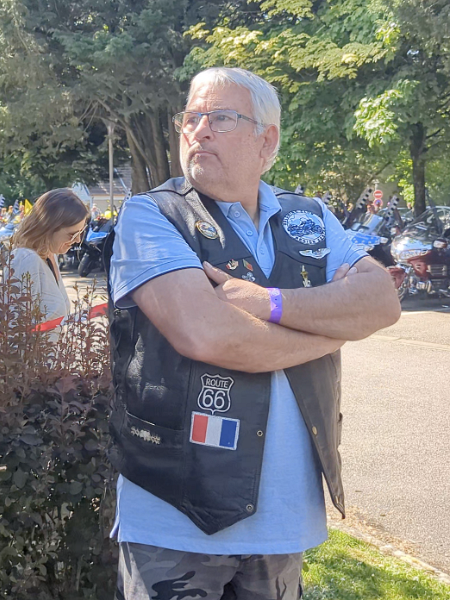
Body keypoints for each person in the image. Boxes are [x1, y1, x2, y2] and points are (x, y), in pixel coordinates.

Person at [107, 67, 401, 600]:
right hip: (175, 516)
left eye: (220, 118)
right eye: (191, 118)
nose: (199, 130)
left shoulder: (309, 217)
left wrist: (266, 302)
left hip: (284, 518)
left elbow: (381, 301)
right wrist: (332, 330)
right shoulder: (152, 215)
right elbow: (210, 336)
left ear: (267, 140)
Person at [8, 188, 89, 329]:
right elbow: (15, 327)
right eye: (72, 235)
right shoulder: (27, 260)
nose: (78, 240)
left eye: (81, 232)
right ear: (48, 228)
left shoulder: (50, 256)